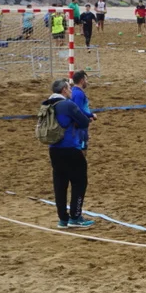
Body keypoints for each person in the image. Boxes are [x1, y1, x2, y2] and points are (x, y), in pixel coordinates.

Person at [41, 79, 94, 228]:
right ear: (64, 90)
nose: (71, 90)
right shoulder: (68, 104)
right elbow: (84, 122)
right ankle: (75, 217)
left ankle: (63, 219)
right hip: (70, 148)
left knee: (60, 183)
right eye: (69, 88)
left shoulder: (46, 104)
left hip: (54, 149)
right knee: (79, 181)